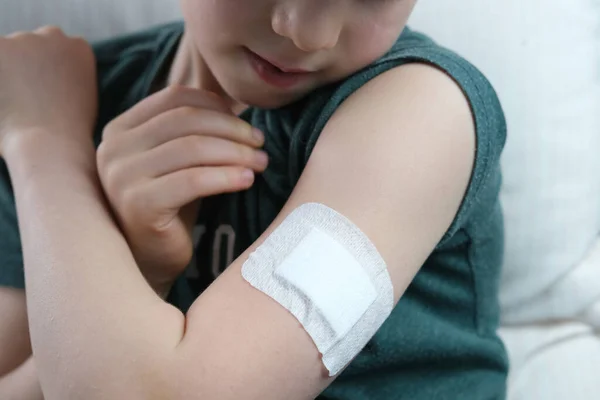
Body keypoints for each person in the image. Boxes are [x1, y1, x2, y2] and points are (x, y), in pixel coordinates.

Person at [0, 0, 509, 398]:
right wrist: (141, 270)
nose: (310, 33)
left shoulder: (418, 114)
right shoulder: (66, 90)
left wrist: (45, 147)